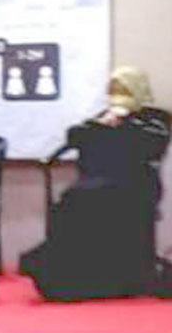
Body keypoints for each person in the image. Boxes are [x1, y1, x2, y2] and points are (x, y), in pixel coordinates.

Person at [21, 66, 170, 300]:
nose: (118, 94)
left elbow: (153, 145)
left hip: (136, 184)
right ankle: (72, 271)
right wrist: (103, 123)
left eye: (125, 89)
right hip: (97, 183)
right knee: (74, 200)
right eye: (114, 88)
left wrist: (124, 123)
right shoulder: (103, 116)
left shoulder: (155, 118)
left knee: (81, 198)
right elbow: (75, 135)